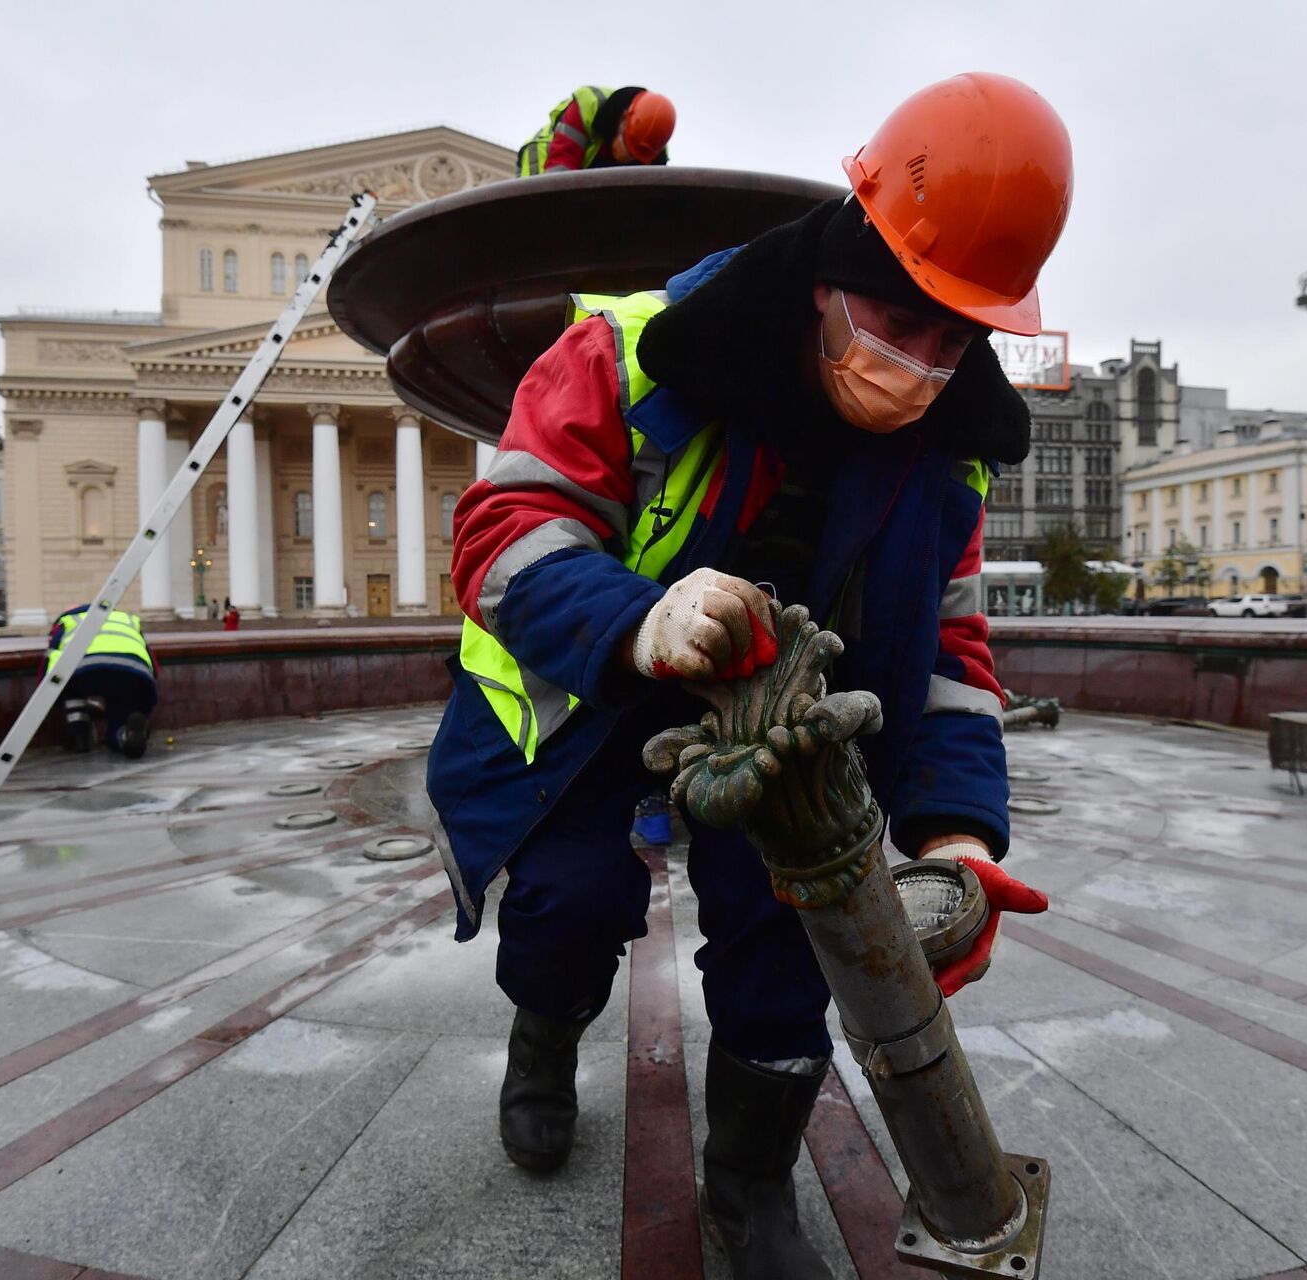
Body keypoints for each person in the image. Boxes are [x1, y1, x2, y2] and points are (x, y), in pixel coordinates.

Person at [429, 74, 1071, 1278]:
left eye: (957, 335)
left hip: (782, 716)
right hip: (601, 690)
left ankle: (749, 1183)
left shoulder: (952, 460)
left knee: (788, 946)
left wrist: (959, 837)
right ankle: (545, 1035)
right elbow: (503, 535)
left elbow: (951, 658)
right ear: (837, 262)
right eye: (901, 314)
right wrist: (637, 618)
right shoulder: (622, 351)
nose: (922, 362)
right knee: (569, 901)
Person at [44, 604, 157, 758]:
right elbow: (151, 661)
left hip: (85, 669)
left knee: (71, 690)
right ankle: (124, 736)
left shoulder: (68, 621)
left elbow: (52, 659)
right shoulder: (126, 620)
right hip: (131, 671)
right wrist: (144, 702)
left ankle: (78, 734)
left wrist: (51, 696)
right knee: (120, 715)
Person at [517, 86, 675, 177]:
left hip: (587, 173)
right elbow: (560, 169)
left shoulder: (652, 144)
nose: (629, 158)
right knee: (536, 212)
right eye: (628, 146)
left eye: (635, 154)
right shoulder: (587, 107)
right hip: (545, 157)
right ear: (623, 119)